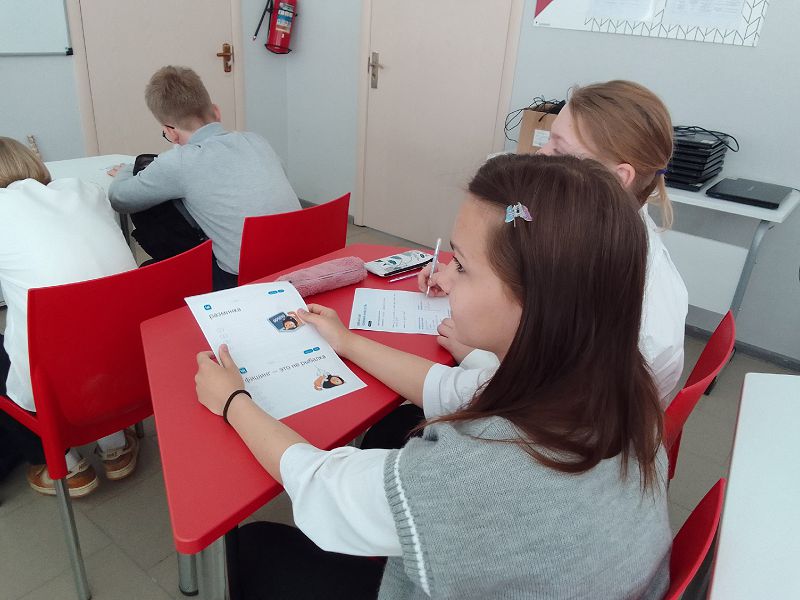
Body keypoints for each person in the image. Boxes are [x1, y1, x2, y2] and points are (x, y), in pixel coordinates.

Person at [194, 154, 671, 599]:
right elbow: (450, 388)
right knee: (395, 428)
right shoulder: (617, 382)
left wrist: (234, 401)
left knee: (253, 546)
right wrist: (347, 342)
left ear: (535, 300)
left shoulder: (480, 469)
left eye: (461, 265)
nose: (445, 276)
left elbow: (322, 488)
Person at [419, 79, 688, 407]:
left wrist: (478, 357)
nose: (540, 155)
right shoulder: (589, 230)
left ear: (618, 178)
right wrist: (462, 269)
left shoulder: (640, 321)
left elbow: (556, 405)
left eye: (559, 151)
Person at [0, 137, 140, 496]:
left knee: (35, 334)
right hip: (135, 364)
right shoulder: (85, 191)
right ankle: (115, 446)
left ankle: (64, 463)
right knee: (88, 315)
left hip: (57, 381)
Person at [107, 65, 301, 290]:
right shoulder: (256, 141)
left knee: (154, 259)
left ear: (171, 132)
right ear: (216, 112)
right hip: (303, 262)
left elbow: (119, 198)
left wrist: (127, 169)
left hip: (241, 280)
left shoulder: (179, 161)